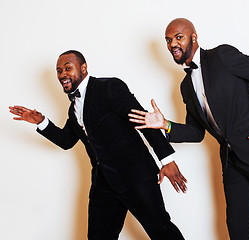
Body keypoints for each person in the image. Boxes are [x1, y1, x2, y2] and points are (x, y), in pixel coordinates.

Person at [128, 18, 249, 239]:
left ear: (194, 37)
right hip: (232, 161)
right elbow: (196, 133)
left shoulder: (222, 57)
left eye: (178, 37)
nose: (173, 44)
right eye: (168, 40)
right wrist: (166, 125)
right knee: (237, 228)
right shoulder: (186, 86)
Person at [9, 50, 187, 240]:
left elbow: (144, 120)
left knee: (162, 231)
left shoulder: (109, 87)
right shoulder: (73, 109)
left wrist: (167, 159)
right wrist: (41, 122)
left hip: (136, 176)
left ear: (83, 68)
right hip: (104, 184)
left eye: (68, 68)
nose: (62, 75)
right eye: (59, 71)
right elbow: (66, 141)